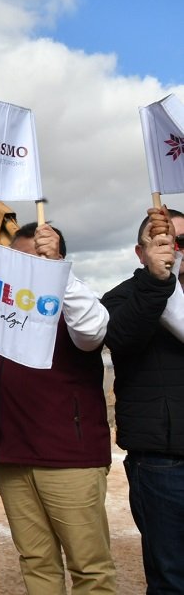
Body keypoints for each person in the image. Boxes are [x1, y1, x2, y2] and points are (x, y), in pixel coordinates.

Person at [0, 222, 116, 594]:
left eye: (36, 261)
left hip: (68, 458)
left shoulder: (74, 304)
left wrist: (57, 269)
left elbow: (94, 331)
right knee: (37, 564)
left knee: (90, 568)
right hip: (12, 454)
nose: (26, 270)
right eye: (18, 260)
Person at [102, 207, 184, 592]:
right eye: (164, 240)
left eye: (180, 241)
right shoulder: (122, 296)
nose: (174, 248)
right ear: (141, 251)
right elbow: (121, 338)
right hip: (162, 463)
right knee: (170, 575)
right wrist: (156, 283)